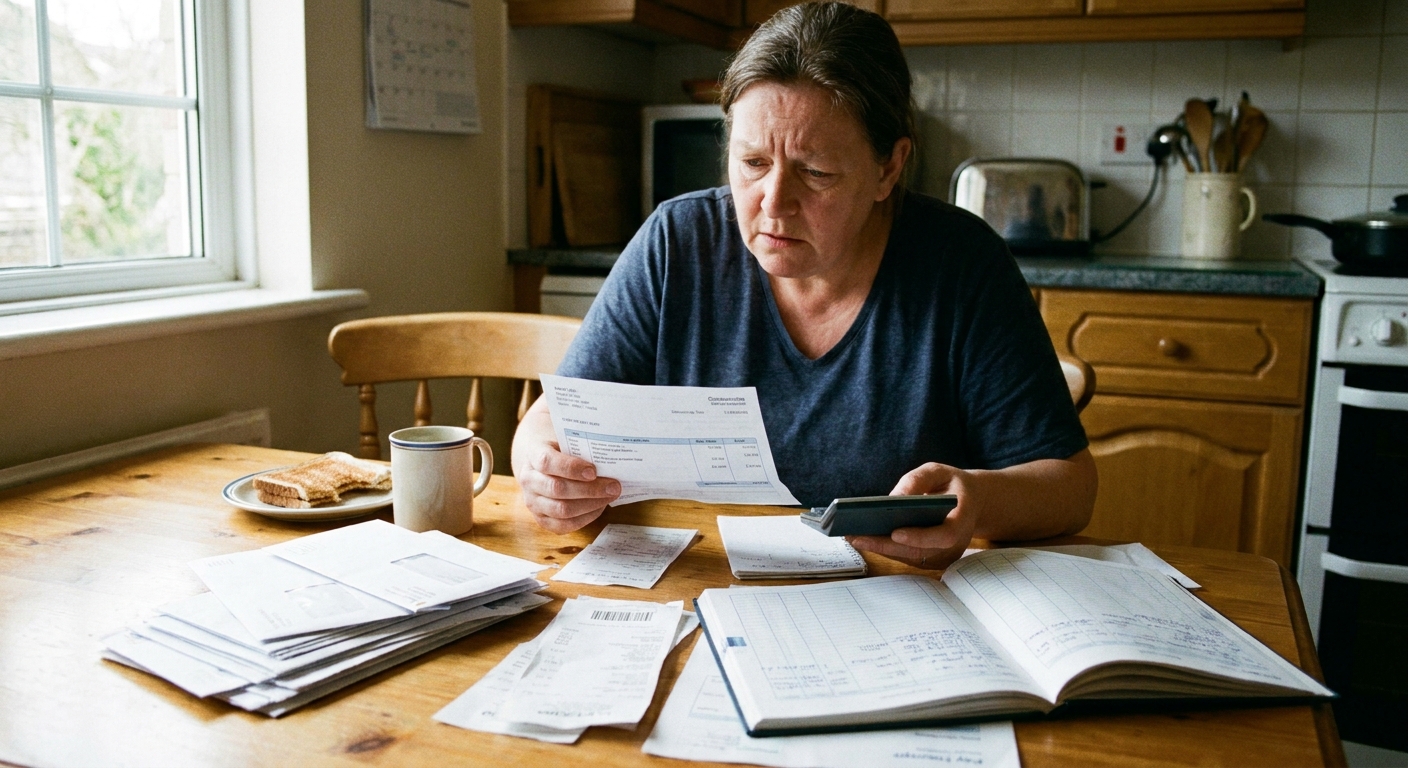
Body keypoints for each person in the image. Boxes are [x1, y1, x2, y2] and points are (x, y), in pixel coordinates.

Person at [511, 1, 1096, 570]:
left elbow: (1070, 487)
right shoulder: (677, 243)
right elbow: (551, 420)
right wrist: (541, 468)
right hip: (699, 581)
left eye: (815, 173)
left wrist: (980, 499)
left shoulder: (962, 265)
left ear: (889, 168)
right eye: (752, 164)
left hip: (897, 602)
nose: (773, 204)